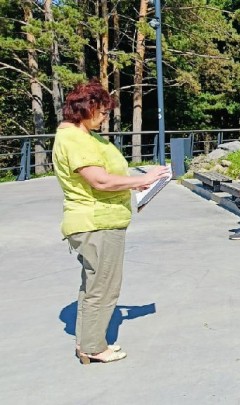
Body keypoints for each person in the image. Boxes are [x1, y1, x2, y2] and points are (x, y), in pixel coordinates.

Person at [51, 80, 170, 364]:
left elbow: (107, 178)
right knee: (103, 286)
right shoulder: (74, 139)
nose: (105, 119)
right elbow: (99, 180)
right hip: (97, 222)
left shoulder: (83, 136)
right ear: (87, 108)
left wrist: (133, 186)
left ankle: (88, 341)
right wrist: (142, 179)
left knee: (94, 285)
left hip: (101, 221)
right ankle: (93, 347)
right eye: (103, 113)